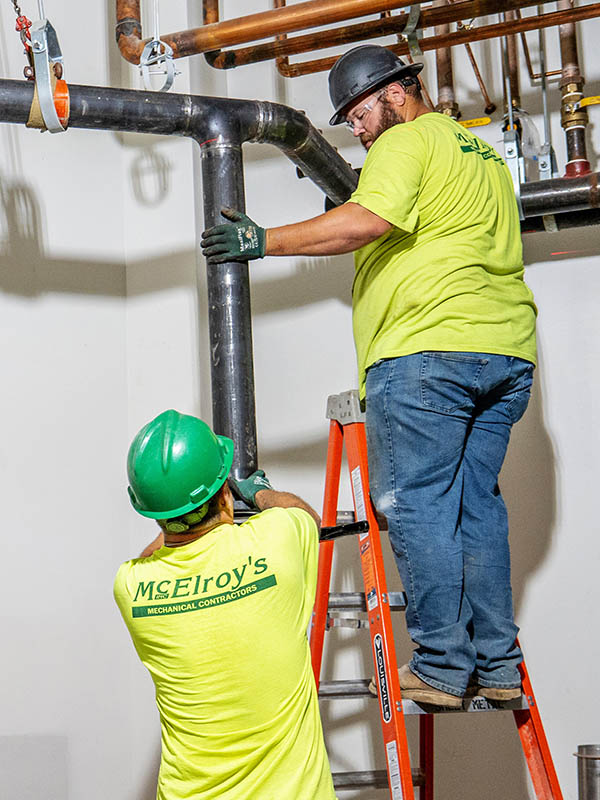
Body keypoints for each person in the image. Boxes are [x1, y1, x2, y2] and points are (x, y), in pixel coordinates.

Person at [200, 44, 537, 709]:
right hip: (506, 352)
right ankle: (497, 665)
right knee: (476, 509)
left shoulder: (405, 146)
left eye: (357, 115)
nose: (355, 130)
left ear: (398, 93)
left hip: (427, 351)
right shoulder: (485, 157)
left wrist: (263, 240)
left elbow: (365, 220)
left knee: (414, 503)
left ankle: (441, 667)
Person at [114, 409, 336, 799]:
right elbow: (306, 517)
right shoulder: (275, 540)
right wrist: (258, 492)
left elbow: (157, 551)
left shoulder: (132, 587)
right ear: (223, 492)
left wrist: (184, 514)